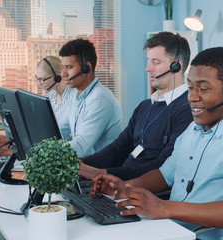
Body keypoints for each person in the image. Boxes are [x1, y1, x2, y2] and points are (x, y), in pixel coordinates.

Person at [90, 47, 223, 240]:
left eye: (203, 89)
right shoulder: (192, 131)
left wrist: (164, 207)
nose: (192, 97)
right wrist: (124, 187)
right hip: (167, 230)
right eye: (190, 87)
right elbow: (165, 175)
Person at [79, 32, 193, 181]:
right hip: (119, 183)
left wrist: (102, 174)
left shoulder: (187, 110)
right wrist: (82, 163)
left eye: (156, 62)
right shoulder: (145, 106)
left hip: (145, 190)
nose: (148, 68)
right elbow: (118, 149)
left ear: (177, 66)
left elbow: (163, 167)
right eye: (148, 61)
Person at [0, 56, 76, 156]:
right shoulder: (51, 96)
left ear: (58, 76)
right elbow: (39, 131)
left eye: (43, 79)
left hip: (61, 155)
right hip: (47, 151)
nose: (40, 84)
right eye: (37, 79)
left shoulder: (74, 99)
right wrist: (9, 140)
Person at [59, 38, 122, 157]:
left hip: (100, 170)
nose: (63, 73)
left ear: (86, 68)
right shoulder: (75, 95)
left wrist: (44, 153)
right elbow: (61, 129)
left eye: (69, 67)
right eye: (63, 67)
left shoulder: (99, 99)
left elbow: (80, 147)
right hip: (85, 166)